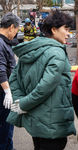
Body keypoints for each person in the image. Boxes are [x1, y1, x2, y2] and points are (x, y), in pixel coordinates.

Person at [6, 10, 76, 150]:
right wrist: (23, 104)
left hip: (35, 122)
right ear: (54, 30)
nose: (69, 33)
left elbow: (14, 78)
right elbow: (45, 87)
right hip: (53, 124)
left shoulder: (31, 49)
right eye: (66, 29)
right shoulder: (57, 53)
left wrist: (21, 102)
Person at [0, 12, 20, 150]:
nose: (15, 35)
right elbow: (0, 70)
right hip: (2, 94)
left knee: (7, 127)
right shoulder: (0, 43)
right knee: (4, 127)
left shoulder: (5, 42)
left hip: (5, 92)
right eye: (16, 31)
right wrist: (7, 92)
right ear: (11, 27)